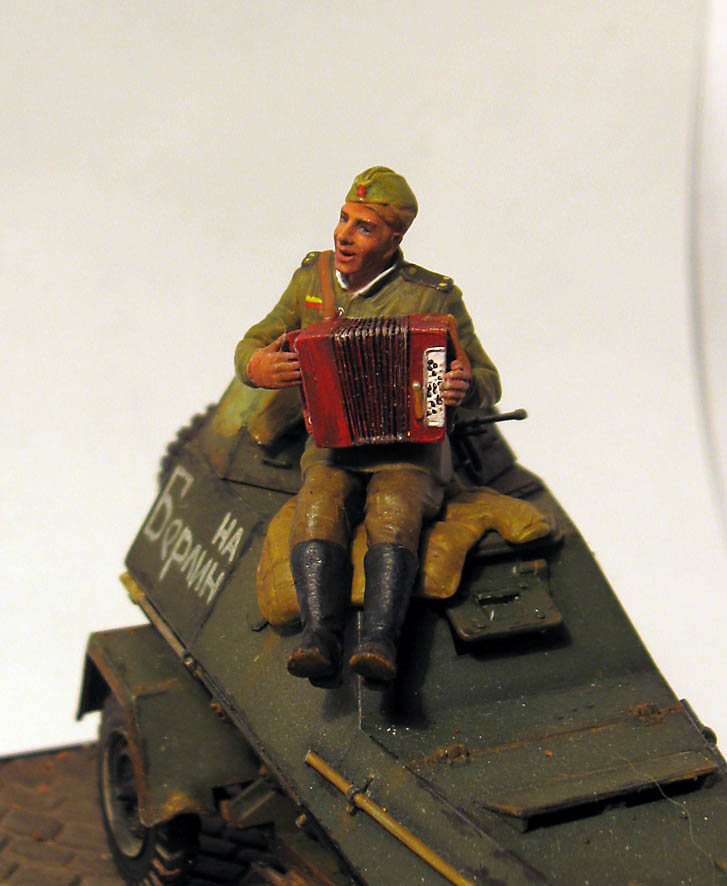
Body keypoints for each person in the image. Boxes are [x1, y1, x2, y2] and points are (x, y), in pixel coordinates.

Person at [235, 166, 500, 683]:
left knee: (394, 512)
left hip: (410, 450)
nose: (344, 235)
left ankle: (379, 640)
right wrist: (256, 365)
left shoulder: (433, 297)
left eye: (364, 228)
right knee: (317, 508)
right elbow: (255, 339)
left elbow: (487, 380)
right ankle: (319, 637)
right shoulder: (311, 280)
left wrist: (463, 388)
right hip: (331, 444)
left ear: (394, 239)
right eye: (343, 219)